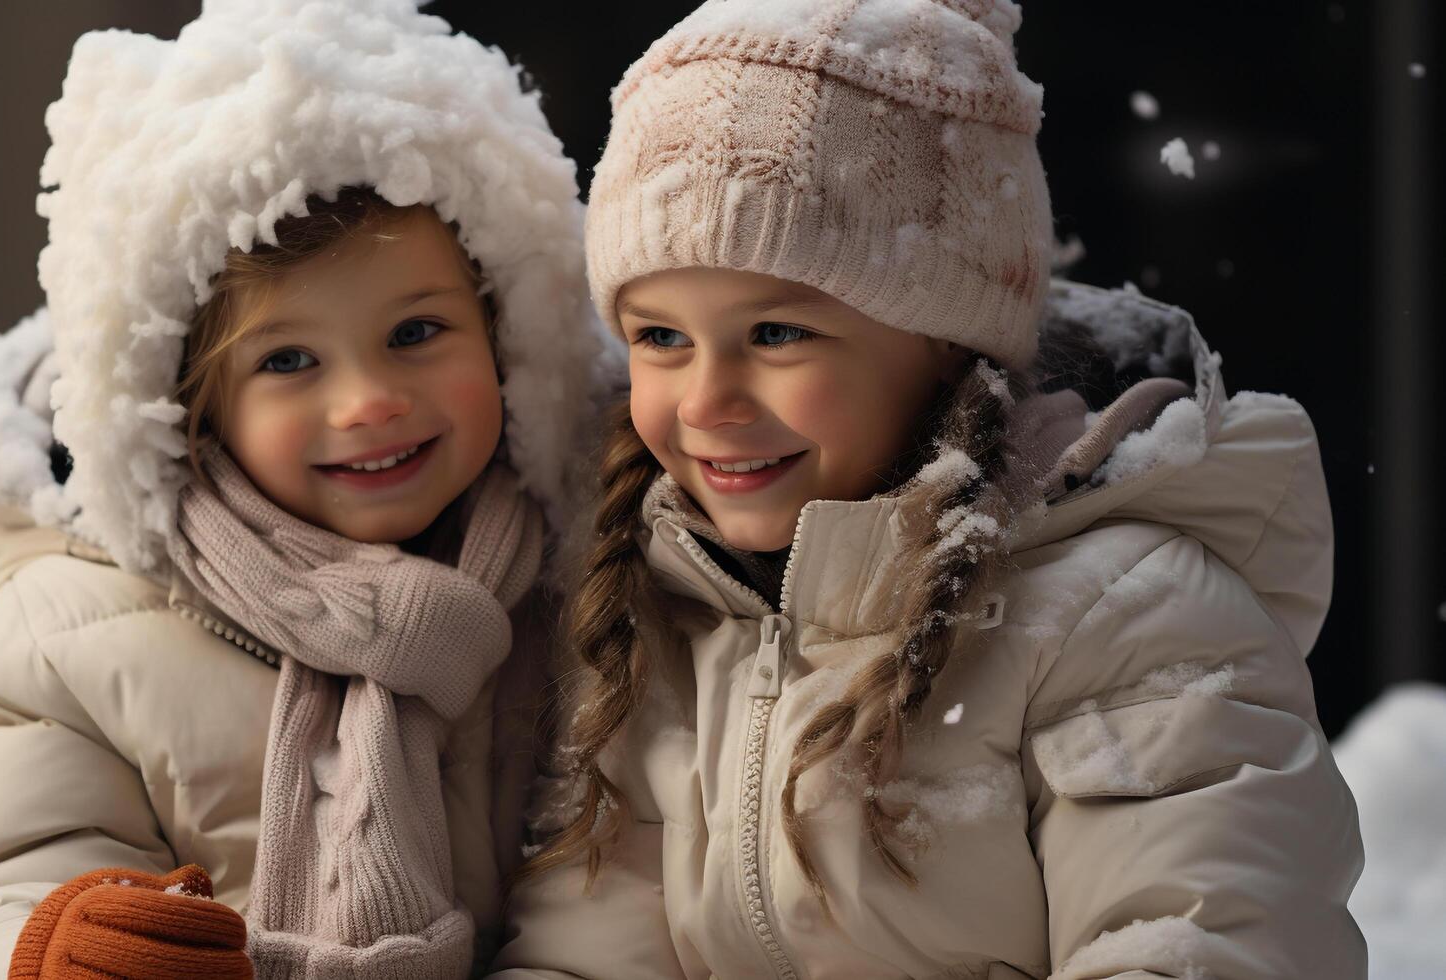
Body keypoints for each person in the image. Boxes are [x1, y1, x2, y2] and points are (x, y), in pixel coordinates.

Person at [494, 1, 1365, 977]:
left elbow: (1203, 933)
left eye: (775, 333)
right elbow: (587, 941)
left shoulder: (1123, 613)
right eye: (659, 336)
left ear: (946, 341)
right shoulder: (660, 609)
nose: (705, 398)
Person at [0, 1, 608, 976]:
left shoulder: (575, 585)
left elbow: (611, 892)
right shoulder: (69, 625)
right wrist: (52, 948)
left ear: (501, 331)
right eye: (288, 359)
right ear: (188, 407)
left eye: (413, 333)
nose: (366, 401)